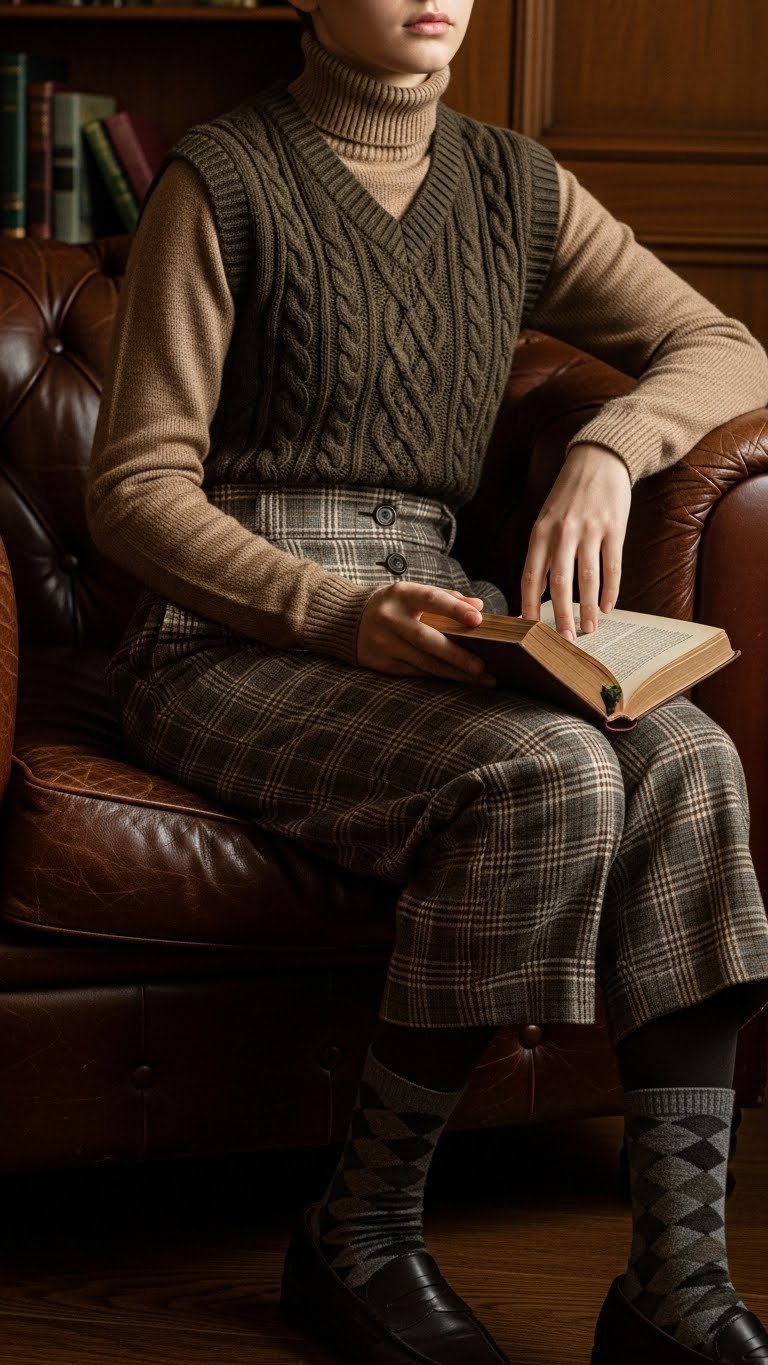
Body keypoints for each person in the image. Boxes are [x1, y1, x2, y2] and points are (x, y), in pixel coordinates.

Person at [85, 2, 768, 1361]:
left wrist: (608, 450)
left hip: (453, 615)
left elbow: (732, 346)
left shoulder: (515, 184)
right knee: (550, 769)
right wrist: (336, 613)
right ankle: (360, 1230)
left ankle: (673, 1285)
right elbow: (132, 490)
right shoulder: (220, 178)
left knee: (693, 758)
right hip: (235, 636)